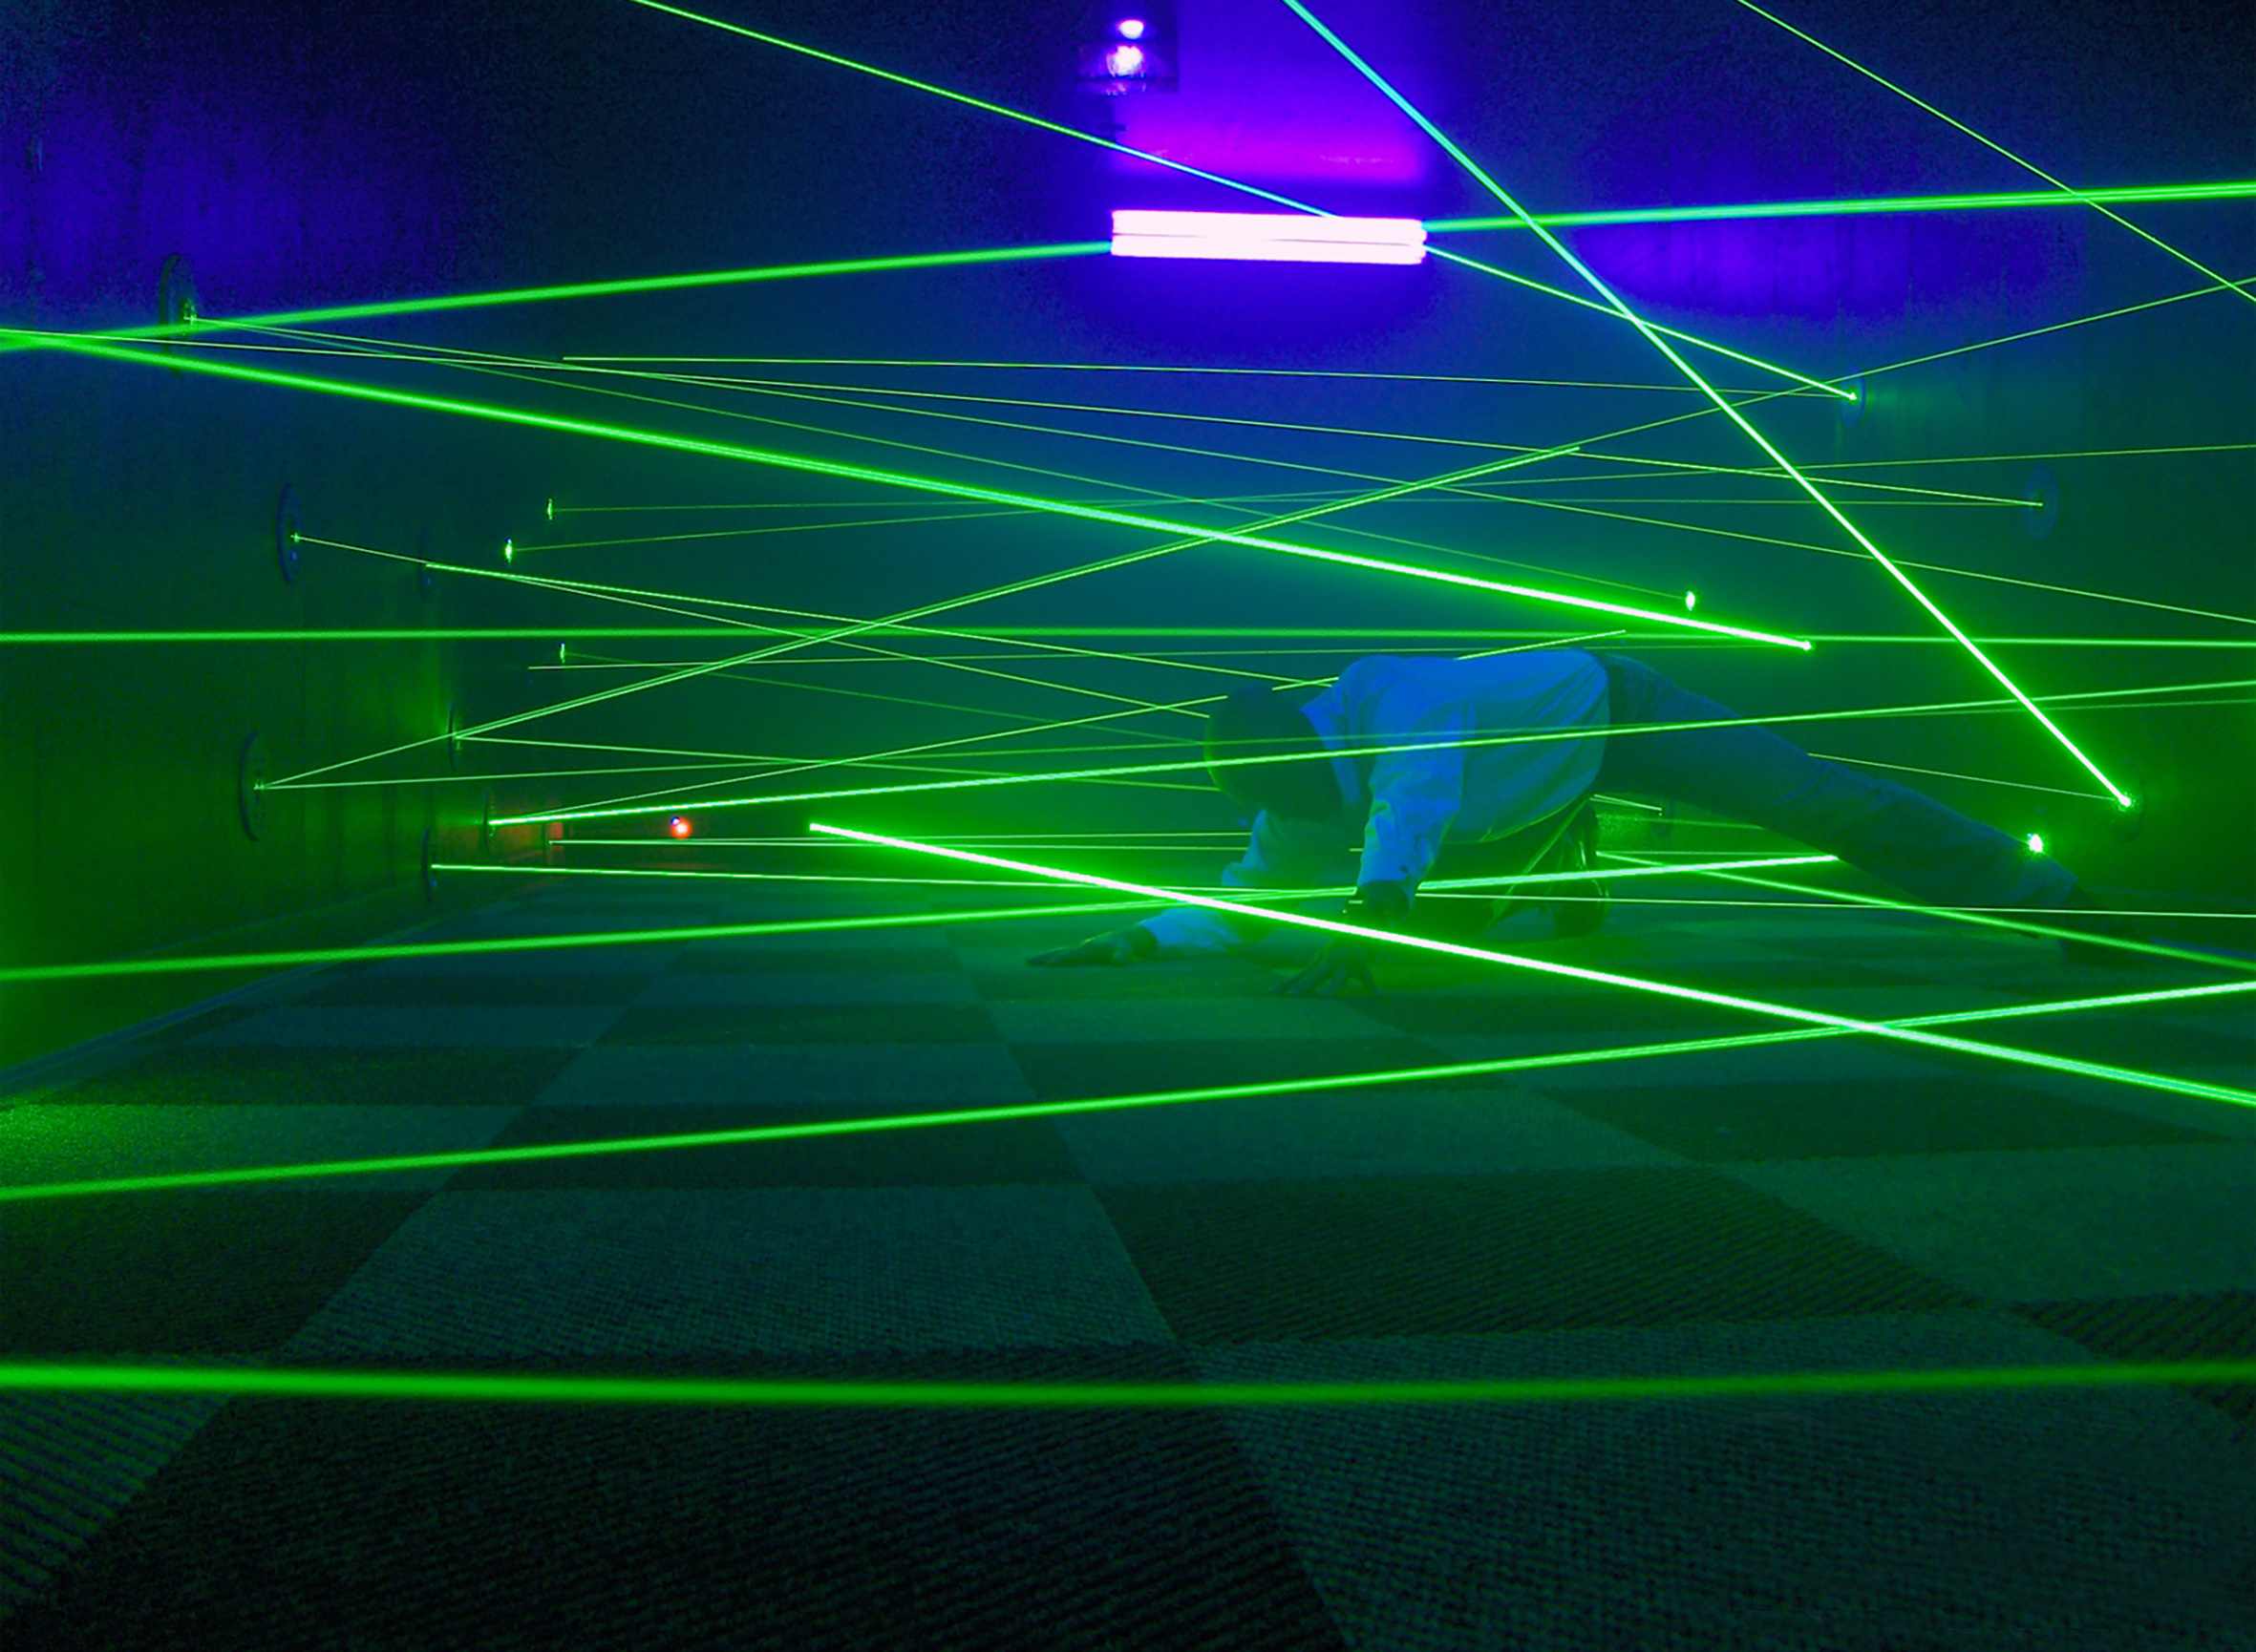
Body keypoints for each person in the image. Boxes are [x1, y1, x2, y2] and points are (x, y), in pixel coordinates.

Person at [1028, 649, 2136, 994]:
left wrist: (1372, 912)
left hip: (1616, 714)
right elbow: (1257, 884)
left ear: (1315, 745)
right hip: (1503, 803)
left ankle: (2057, 898)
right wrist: (1136, 932)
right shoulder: (1295, 793)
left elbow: (1414, 795)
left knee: (1819, 803)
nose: (1297, 816)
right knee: (1460, 925)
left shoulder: (1390, 698)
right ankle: (1563, 861)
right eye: (1284, 806)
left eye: (1302, 796)